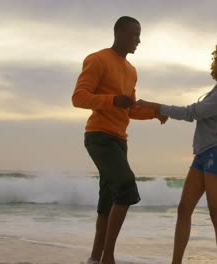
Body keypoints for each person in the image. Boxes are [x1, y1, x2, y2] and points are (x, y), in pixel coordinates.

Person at [137, 35, 217, 264]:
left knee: (216, 216)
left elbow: (192, 112)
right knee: (184, 210)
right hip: (203, 155)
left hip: (216, 155)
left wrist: (157, 107)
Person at [72, 16, 167, 264]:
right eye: (134, 34)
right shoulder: (97, 59)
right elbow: (79, 97)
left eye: (139, 35)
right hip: (98, 137)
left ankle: (94, 257)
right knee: (125, 187)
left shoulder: (131, 71)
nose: (138, 40)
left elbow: (130, 109)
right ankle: (108, 257)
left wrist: (155, 113)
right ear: (119, 33)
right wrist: (112, 99)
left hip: (119, 141)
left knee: (107, 199)